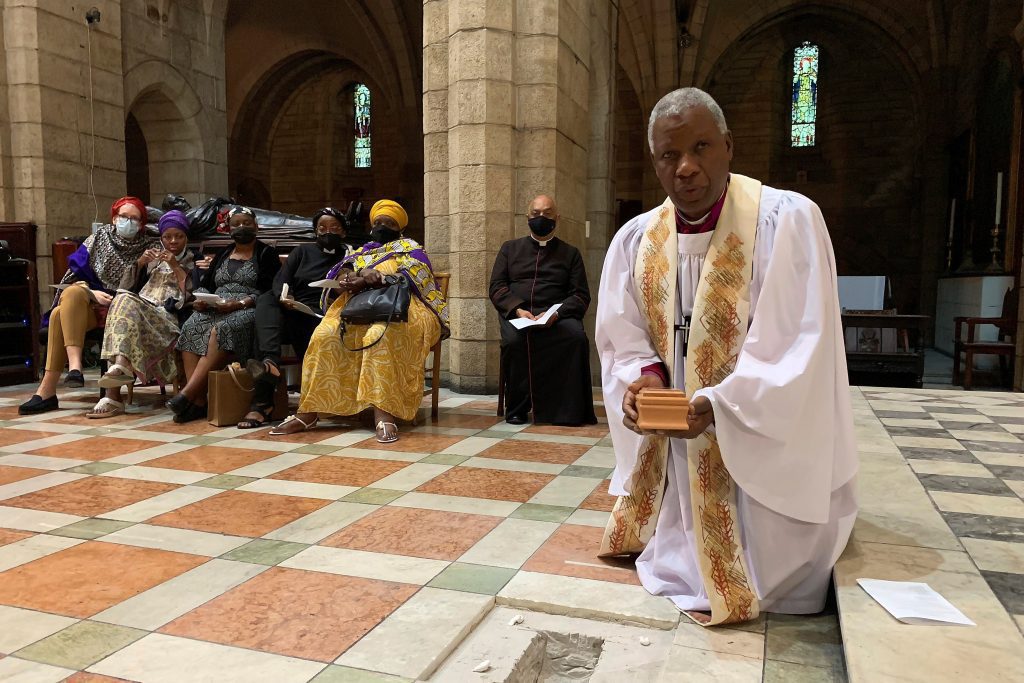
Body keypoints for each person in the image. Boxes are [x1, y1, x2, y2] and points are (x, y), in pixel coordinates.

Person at [596, 88, 857, 625]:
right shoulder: (635, 239)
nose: (686, 168)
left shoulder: (787, 220)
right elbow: (621, 332)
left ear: (729, 146)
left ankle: (759, 569)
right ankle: (683, 550)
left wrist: (719, 403)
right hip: (678, 440)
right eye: (670, 155)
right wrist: (641, 382)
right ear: (654, 161)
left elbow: (795, 342)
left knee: (775, 561)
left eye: (701, 147)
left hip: (748, 427)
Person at [270, 199, 448, 443]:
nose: (382, 226)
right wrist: (356, 275)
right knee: (325, 336)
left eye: (389, 222)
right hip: (358, 307)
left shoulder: (412, 248)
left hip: (403, 307)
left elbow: (418, 278)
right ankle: (309, 411)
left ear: (400, 228)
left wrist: (380, 278)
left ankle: (384, 413)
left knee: (378, 337)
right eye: (378, 222)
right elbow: (339, 271)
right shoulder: (363, 251)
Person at [19, 196, 158, 415]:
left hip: (123, 306)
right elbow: (72, 276)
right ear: (114, 218)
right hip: (90, 304)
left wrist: (141, 265)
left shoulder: (149, 247)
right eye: (124, 217)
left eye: (135, 219)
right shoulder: (98, 238)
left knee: (57, 315)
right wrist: (92, 293)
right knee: (74, 291)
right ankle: (75, 367)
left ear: (142, 224)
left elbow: (150, 286)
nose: (129, 222)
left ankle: (47, 391)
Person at [488, 194, 597, 426]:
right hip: (519, 314)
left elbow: (580, 295)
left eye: (547, 214)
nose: (541, 218)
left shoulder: (571, 253)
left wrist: (555, 314)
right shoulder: (510, 249)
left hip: (557, 315)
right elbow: (497, 287)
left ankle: (566, 409)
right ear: (527, 217)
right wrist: (517, 310)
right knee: (514, 342)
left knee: (576, 337)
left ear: (557, 218)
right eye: (536, 214)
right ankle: (517, 407)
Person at [239, 207, 351, 429]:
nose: (327, 232)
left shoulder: (348, 256)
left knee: (265, 329)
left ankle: (261, 405)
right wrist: (285, 296)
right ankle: (270, 363)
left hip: (317, 314)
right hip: (290, 306)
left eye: (334, 228)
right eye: (322, 228)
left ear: (343, 232)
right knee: (266, 300)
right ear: (315, 231)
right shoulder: (302, 252)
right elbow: (281, 279)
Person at [169, 207, 281, 423]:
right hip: (217, 305)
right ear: (228, 229)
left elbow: (270, 291)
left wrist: (239, 303)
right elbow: (207, 285)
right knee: (192, 326)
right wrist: (202, 300)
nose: (241, 228)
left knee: (220, 330)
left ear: (256, 227)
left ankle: (186, 395)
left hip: (249, 308)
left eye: (246, 223)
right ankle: (199, 401)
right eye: (236, 224)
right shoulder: (223, 253)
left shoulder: (266, 254)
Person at [86, 211, 197, 418]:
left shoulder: (195, 260)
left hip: (167, 319)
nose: (173, 241)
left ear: (186, 237)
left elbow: (191, 295)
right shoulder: (153, 260)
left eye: (178, 236)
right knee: (122, 301)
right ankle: (121, 366)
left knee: (124, 304)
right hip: (142, 312)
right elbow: (124, 288)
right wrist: (140, 263)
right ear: (161, 238)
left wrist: (175, 265)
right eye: (167, 237)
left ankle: (113, 395)